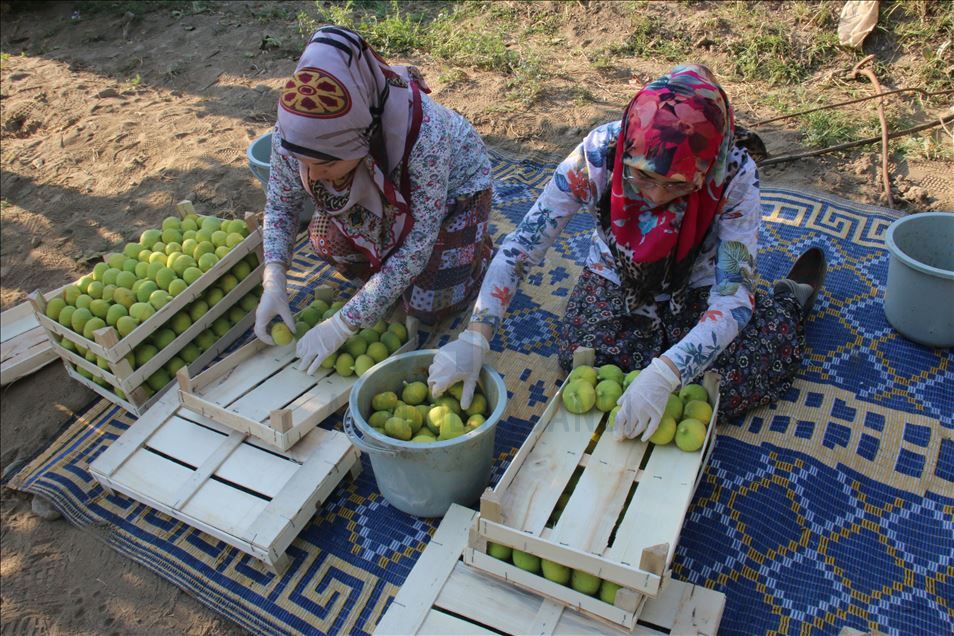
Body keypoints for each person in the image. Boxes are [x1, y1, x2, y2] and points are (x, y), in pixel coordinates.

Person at [427, 64, 826, 440]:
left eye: (677, 185)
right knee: (582, 359)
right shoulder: (599, 153)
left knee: (739, 373)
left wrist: (670, 372)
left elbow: (733, 295)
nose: (655, 196)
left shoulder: (734, 174)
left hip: (698, 283)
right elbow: (522, 248)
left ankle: (789, 302)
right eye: (643, 176)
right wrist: (476, 335)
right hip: (618, 273)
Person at [255, 26, 493, 374]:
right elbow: (281, 203)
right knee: (323, 239)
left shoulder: (423, 134)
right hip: (379, 202)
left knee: (429, 306)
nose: (313, 174)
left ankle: (479, 255)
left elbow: (417, 244)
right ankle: (389, 279)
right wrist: (273, 276)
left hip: (453, 199)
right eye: (306, 163)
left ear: (363, 137)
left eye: (327, 163)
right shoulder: (296, 131)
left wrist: (344, 324)